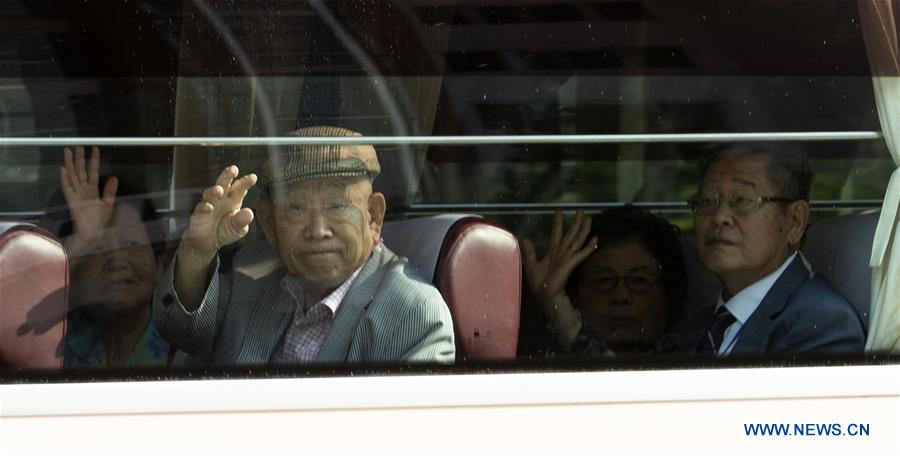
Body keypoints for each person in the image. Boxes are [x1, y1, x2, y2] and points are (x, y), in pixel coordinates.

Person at [152, 126, 455, 365]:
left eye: (337, 205)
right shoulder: (255, 271)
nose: (318, 230)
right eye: (296, 208)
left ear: (373, 215)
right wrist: (197, 252)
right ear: (269, 223)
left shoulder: (414, 313)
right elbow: (181, 332)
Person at [677, 143, 866, 355]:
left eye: (742, 200)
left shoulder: (822, 323)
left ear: (795, 222)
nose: (720, 217)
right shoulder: (695, 327)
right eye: (707, 201)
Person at [44, 146, 170, 368]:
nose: (117, 260)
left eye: (131, 243)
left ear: (159, 265)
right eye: (98, 247)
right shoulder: (61, 339)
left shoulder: (185, 347)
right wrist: (80, 243)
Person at [522, 206, 687, 356]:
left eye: (640, 281)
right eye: (603, 280)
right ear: (576, 296)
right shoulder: (540, 366)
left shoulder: (696, 356)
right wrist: (554, 300)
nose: (620, 296)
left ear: (669, 295)